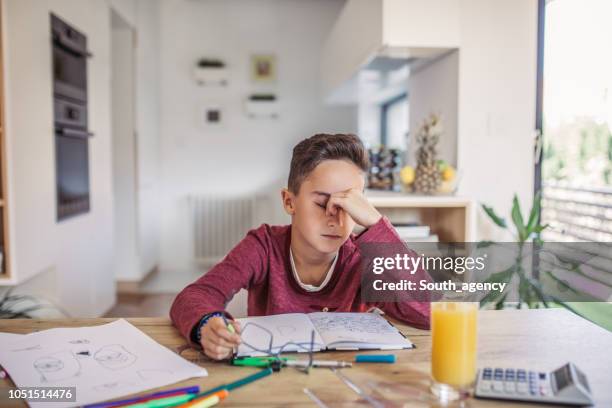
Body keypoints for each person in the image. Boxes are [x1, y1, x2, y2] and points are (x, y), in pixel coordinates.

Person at [170, 133, 431, 360]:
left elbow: (431, 311)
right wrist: (207, 325)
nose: (336, 219)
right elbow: (194, 296)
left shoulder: (364, 259)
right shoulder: (263, 247)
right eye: (321, 204)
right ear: (289, 202)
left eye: (348, 207)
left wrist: (376, 224)